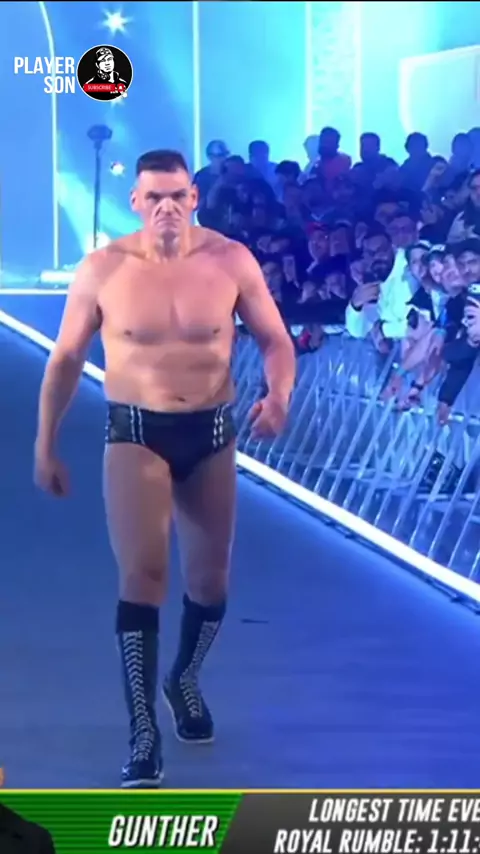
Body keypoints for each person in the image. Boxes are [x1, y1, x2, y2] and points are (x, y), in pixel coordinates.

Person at [33, 149, 296, 789]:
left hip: (211, 431)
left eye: (177, 195)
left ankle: (184, 677)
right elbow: (66, 358)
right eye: (154, 197)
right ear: (136, 202)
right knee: (143, 576)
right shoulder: (104, 269)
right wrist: (45, 442)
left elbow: (275, 340)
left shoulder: (230, 260)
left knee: (210, 583)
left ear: (194, 197)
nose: (167, 208)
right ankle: (143, 730)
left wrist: (278, 396)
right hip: (137, 431)